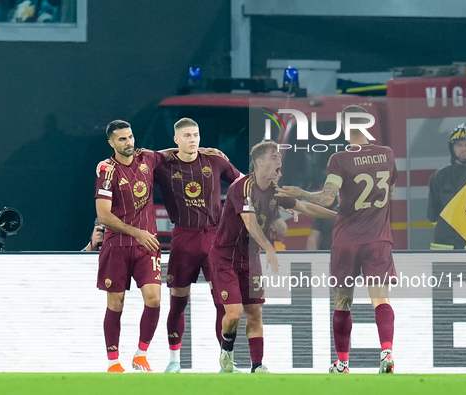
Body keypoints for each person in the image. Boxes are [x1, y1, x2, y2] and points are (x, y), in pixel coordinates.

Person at [276, 105, 398, 374]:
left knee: (343, 301)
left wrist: (300, 193)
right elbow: (389, 189)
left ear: (344, 126)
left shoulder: (339, 159)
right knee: (381, 299)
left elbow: (327, 198)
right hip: (378, 239)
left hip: (347, 240)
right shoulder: (387, 155)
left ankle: (342, 363)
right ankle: (386, 352)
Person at [211, 140, 336, 373]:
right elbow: (249, 222)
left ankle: (257, 365)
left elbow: (306, 208)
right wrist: (269, 247)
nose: (280, 160)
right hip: (225, 258)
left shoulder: (274, 191)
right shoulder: (242, 187)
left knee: (255, 312)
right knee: (234, 314)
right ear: (259, 162)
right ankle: (226, 350)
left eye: (279, 156)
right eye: (274, 156)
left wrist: (340, 216)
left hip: (250, 258)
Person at [153, 118, 242, 373]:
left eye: (196, 134)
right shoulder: (164, 165)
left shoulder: (215, 161)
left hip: (216, 238)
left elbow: (241, 183)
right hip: (184, 237)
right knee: (178, 302)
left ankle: (226, 361)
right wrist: (164, 153)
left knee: (221, 303)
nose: (193, 139)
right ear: (176, 140)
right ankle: (174, 362)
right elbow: (141, 162)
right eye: (187, 136)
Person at [95, 120, 164, 373]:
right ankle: (114, 363)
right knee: (116, 303)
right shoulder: (107, 171)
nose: (129, 143)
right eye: (122, 139)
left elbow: (171, 154)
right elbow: (103, 215)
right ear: (112, 143)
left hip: (147, 246)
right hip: (118, 245)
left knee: (154, 299)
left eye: (131, 137)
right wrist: (137, 232)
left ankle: (141, 355)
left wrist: (205, 152)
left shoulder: (147, 158)